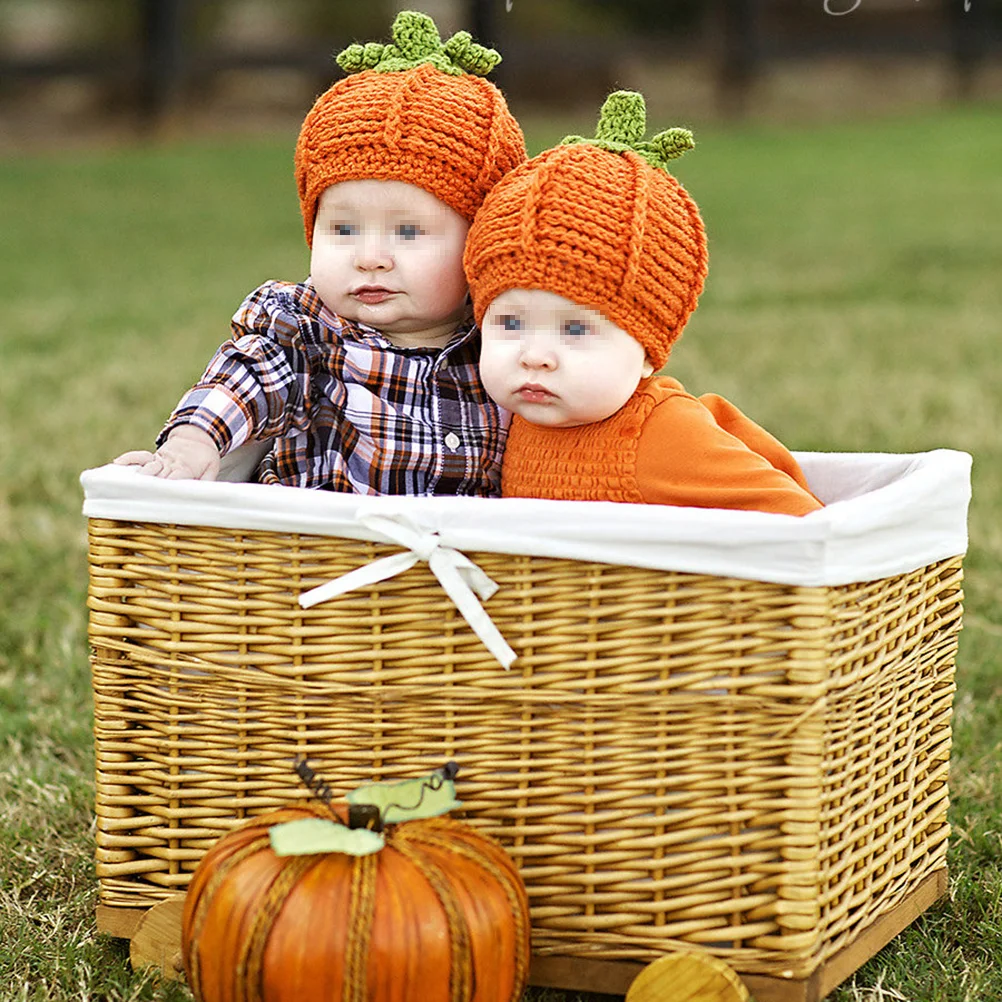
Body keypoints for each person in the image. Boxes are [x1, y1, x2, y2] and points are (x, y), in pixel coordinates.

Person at [115, 11, 526, 496]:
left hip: (469, 565)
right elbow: (251, 376)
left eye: (409, 232)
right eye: (344, 229)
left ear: (480, 241)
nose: (370, 257)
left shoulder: (505, 338)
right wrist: (194, 439)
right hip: (322, 561)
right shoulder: (311, 335)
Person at [463, 91, 822, 516]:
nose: (535, 356)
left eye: (575, 329)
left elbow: (804, 522)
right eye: (509, 323)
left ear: (648, 353)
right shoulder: (510, 421)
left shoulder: (659, 435)